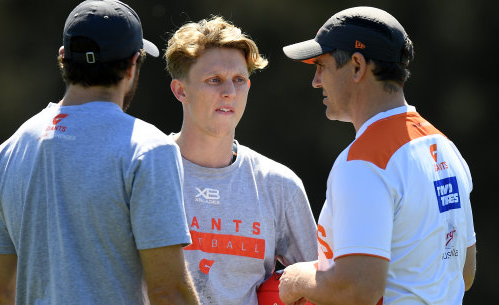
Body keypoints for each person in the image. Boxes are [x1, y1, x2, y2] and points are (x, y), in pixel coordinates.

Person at [0, 1, 200, 304]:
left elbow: (1, 295)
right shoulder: (149, 149)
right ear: (133, 64)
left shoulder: (5, 154)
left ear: (63, 58)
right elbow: (169, 292)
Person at [279, 6, 476, 305]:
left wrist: (297, 280)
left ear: (357, 66)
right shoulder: (444, 146)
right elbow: (464, 271)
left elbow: (358, 289)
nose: (316, 81)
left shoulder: (364, 162)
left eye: (322, 65)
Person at [164, 16, 319, 305]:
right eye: (214, 80)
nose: (229, 92)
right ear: (180, 90)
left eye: (239, 80)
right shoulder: (144, 169)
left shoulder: (279, 185)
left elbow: (320, 284)